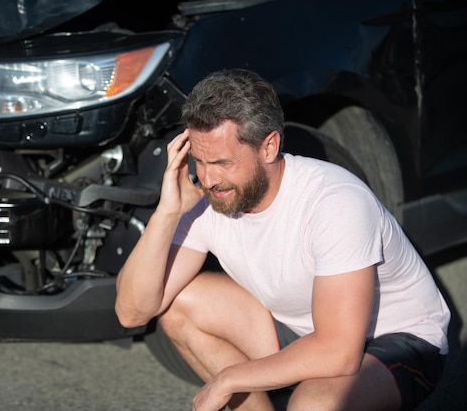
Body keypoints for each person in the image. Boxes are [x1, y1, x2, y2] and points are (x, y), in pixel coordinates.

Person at [114, 68, 450, 411]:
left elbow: (339, 351)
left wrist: (229, 378)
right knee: (180, 306)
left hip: (393, 340)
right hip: (301, 329)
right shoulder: (206, 199)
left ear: (269, 146)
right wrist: (166, 214)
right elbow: (132, 313)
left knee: (312, 406)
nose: (209, 178)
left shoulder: (335, 201)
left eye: (223, 162)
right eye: (199, 161)